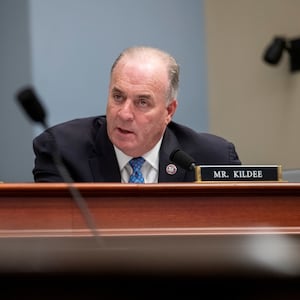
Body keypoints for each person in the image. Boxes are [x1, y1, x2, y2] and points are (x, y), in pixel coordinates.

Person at [33, 46, 241, 183]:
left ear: (169, 111)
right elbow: (54, 236)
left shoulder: (213, 158)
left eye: (142, 102)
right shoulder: (61, 151)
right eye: (118, 97)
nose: (124, 114)